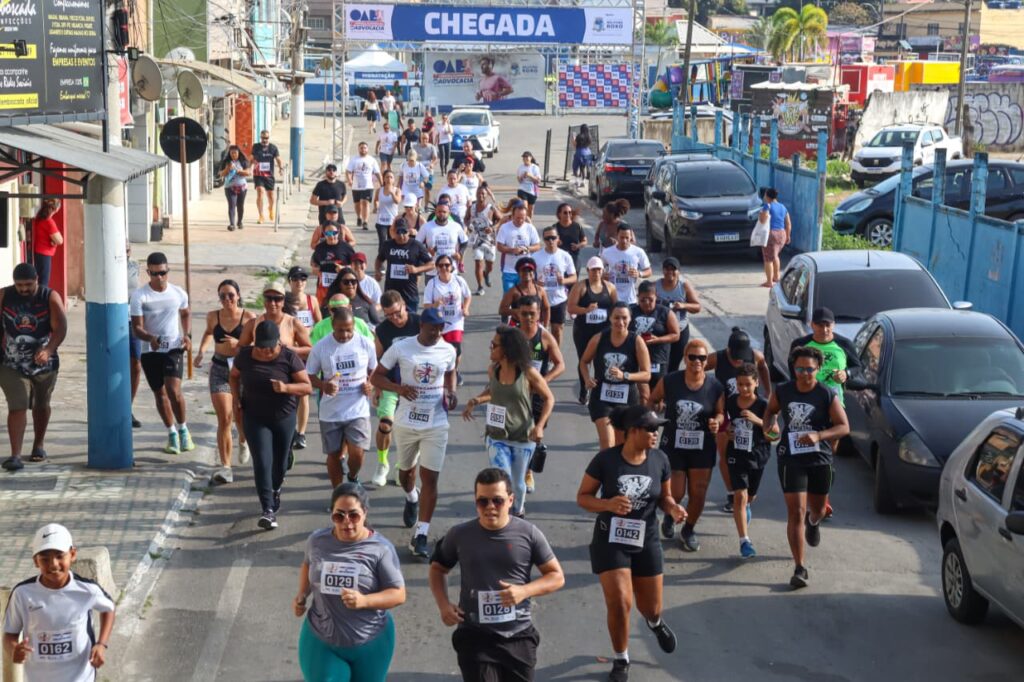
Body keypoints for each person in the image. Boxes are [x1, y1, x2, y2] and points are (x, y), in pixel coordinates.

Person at [576, 406, 684, 682]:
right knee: (621, 602)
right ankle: (621, 658)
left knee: (652, 607)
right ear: (633, 431)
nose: (655, 434)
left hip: (646, 538)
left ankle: (655, 623)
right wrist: (607, 503)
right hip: (610, 540)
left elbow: (665, 497)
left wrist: (672, 509)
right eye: (650, 428)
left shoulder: (660, 459)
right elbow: (583, 497)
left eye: (657, 429)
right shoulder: (606, 460)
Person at [429, 468, 564, 681]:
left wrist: (524, 591)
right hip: (475, 634)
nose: (490, 507)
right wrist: (444, 605)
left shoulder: (528, 533)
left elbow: (556, 576)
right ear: (475, 502)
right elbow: (438, 568)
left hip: (518, 634)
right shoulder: (459, 535)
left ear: (511, 500)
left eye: (497, 501)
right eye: (483, 501)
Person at [369, 308, 457, 559]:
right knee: (406, 474)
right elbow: (376, 377)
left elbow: (450, 372)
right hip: (407, 421)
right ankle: (411, 497)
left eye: (441, 328)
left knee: (430, 478)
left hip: (436, 423)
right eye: (433, 328)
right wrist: (398, 389)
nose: (438, 333)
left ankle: (421, 534)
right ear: (422, 327)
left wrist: (450, 393)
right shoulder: (401, 348)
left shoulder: (448, 350)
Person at [295, 483, 405, 682]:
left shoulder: (381, 549)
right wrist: (302, 595)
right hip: (322, 640)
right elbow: (307, 564)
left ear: (365, 513)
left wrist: (364, 601)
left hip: (370, 642)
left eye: (353, 515)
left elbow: (398, 594)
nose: (347, 523)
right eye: (339, 516)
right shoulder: (317, 541)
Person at [762, 346, 850, 589]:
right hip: (791, 457)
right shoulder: (783, 391)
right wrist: (770, 429)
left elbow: (844, 427)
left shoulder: (826, 394)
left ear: (818, 369)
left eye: (809, 369)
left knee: (817, 509)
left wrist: (819, 436)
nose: (803, 374)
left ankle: (815, 522)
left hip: (819, 458)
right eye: (799, 369)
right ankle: (800, 567)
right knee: (796, 511)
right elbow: (770, 412)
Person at [2, 523, 115, 681]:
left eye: (59, 556)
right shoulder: (22, 593)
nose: (53, 564)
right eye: (45, 559)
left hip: (81, 677)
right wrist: (14, 650)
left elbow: (108, 609)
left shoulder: (87, 590)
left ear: (72, 554)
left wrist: (101, 644)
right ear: (36, 561)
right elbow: (10, 635)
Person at [230, 320, 312, 530]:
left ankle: (276, 488)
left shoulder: (289, 357)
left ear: (278, 343)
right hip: (255, 418)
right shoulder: (245, 356)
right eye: (260, 347)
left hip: (283, 418)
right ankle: (267, 510)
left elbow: (306, 387)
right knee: (262, 463)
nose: (265, 351)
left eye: (269, 347)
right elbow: (234, 376)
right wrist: (235, 397)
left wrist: (285, 388)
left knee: (280, 464)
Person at [463, 327, 553, 516]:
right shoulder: (493, 370)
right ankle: (504, 517)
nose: (490, 348)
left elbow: (549, 398)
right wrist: (475, 400)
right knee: (503, 478)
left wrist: (539, 426)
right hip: (496, 436)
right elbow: (493, 391)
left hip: (522, 437)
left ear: (507, 349)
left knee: (518, 484)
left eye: (494, 345)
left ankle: (518, 513)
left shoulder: (528, 372)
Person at [649, 338, 724, 552]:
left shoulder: (714, 386)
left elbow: (720, 413)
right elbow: (652, 400)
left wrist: (716, 422)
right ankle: (671, 516)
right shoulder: (671, 381)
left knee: (699, 492)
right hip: (674, 444)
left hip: (702, 446)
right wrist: (655, 415)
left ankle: (689, 529)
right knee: (677, 492)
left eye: (702, 358)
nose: (697, 362)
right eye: (693, 357)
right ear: (685, 359)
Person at [789, 306, 862, 520]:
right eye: (819, 325)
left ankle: (823, 498)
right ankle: (806, 496)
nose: (824, 329)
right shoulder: (800, 345)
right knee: (805, 452)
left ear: (834, 325)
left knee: (827, 455)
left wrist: (845, 374)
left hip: (834, 405)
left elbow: (858, 366)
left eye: (828, 325)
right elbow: (791, 371)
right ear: (812, 325)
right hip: (806, 406)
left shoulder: (844, 344)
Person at [0, 263, 67, 471]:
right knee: (17, 405)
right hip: (11, 363)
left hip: (43, 364)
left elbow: (61, 328)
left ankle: (38, 445)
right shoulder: (4, 296)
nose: (24, 289)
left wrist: (48, 350)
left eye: (28, 284)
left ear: (37, 279)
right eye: (19, 285)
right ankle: (15, 455)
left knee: (41, 405)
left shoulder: (49, 297)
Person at [129, 252, 193, 455]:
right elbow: (136, 328)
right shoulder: (140, 296)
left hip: (173, 347)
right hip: (150, 350)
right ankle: (172, 433)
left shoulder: (178, 293)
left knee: (173, 390)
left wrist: (187, 335)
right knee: (159, 392)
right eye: (155, 274)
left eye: (163, 273)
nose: (159, 277)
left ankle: (183, 429)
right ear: (148, 272)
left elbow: (185, 313)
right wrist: (150, 339)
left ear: (168, 271)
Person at [193, 279, 256, 484]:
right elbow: (209, 333)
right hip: (220, 368)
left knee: (241, 413)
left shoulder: (248, 317)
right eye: (222, 296)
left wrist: (239, 343)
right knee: (225, 417)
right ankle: (226, 466)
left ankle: (244, 439)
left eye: (231, 295)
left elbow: (256, 343)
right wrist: (201, 352)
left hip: (241, 369)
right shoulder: (213, 316)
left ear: (238, 296)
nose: (227, 299)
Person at [307, 308, 377, 487]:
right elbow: (309, 375)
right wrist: (323, 385)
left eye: (349, 329)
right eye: (340, 330)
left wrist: (370, 384)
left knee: (357, 451)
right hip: (331, 411)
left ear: (354, 326)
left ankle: (353, 477)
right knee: (334, 455)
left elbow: (374, 370)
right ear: (332, 326)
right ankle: (338, 492)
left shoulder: (365, 343)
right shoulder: (321, 346)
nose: (345, 334)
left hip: (358, 409)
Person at [706, 327, 772, 513]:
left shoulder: (755, 356)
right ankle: (732, 493)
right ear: (728, 350)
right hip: (725, 412)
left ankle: (746, 491)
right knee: (725, 453)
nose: (738, 360)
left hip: (749, 412)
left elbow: (763, 367)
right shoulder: (717, 358)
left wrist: (768, 391)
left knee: (749, 452)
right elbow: (696, 371)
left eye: (741, 357)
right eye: (734, 357)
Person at [581, 303, 650, 450]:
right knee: (607, 445)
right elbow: (584, 361)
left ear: (630, 319)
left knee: (622, 447)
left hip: (626, 400)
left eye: (624, 318)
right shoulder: (599, 338)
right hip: (601, 398)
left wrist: (624, 375)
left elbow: (646, 374)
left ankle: (615, 473)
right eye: (616, 318)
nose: (620, 322)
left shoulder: (637, 341)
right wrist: (587, 378)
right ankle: (604, 472)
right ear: (610, 318)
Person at [514, 295, 564, 495]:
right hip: (515, 394)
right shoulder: (513, 336)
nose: (528, 318)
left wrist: (544, 381)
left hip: (537, 395)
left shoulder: (544, 336)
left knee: (533, 435)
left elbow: (560, 365)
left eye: (532, 314)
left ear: (538, 314)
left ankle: (527, 472)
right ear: (518, 313)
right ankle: (516, 472)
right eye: (524, 313)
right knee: (515, 435)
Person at [370, 291, 421, 487]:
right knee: (385, 423)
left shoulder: (419, 323)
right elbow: (377, 359)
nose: (395, 319)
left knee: (413, 429)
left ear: (404, 305)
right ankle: (382, 463)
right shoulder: (383, 330)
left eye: (397, 313)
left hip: (417, 386)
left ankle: (403, 464)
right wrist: (377, 388)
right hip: (391, 384)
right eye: (389, 315)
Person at [724, 363, 771, 558]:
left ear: (756, 383)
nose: (743, 389)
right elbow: (725, 423)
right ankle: (745, 541)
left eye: (747, 385)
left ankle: (746, 507)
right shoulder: (730, 401)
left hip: (757, 455)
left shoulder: (763, 405)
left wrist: (758, 420)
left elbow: (775, 434)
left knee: (749, 497)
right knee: (740, 496)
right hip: (735, 454)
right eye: (740, 384)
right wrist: (727, 431)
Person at [567, 257, 618, 405]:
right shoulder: (580, 287)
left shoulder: (610, 287)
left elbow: (617, 307)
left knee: (601, 360)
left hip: (603, 330)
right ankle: (584, 388)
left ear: (602, 271)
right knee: (584, 360)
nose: (596, 272)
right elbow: (570, 308)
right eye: (593, 269)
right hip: (583, 330)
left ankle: (598, 389)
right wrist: (585, 309)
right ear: (588, 271)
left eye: (599, 269)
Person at [423, 254, 472, 385]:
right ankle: (442, 371)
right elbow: (426, 305)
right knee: (439, 347)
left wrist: (465, 308)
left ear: (452, 267)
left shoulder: (459, 280)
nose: (444, 268)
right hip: (439, 322)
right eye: (441, 265)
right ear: (437, 268)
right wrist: (435, 305)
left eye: (447, 265)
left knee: (455, 347)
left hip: (456, 320)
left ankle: (454, 371)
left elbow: (468, 295)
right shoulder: (432, 284)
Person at [629, 281, 679, 397]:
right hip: (636, 358)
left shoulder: (665, 312)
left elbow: (676, 335)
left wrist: (658, 339)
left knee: (657, 394)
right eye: (643, 300)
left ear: (656, 297)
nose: (647, 303)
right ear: (638, 298)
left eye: (650, 299)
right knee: (641, 394)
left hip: (658, 359)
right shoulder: (631, 311)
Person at [375, 220, 434, 312]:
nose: (401, 236)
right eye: (398, 232)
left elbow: (431, 264)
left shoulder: (416, 245)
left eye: (404, 232)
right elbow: (379, 259)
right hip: (391, 291)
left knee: (410, 321)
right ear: (394, 232)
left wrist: (416, 269)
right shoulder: (388, 245)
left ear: (409, 232)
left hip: (409, 292)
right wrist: (377, 271)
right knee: (392, 319)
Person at [654, 257, 701, 372]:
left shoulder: (684, 286)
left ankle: (671, 386)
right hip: (662, 331)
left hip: (680, 330)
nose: (670, 272)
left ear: (678, 271)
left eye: (673, 269)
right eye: (667, 269)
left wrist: (683, 306)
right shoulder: (655, 286)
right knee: (660, 363)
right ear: (663, 270)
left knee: (674, 363)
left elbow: (697, 307)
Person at [532, 226, 577, 346]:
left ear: (558, 239)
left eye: (553, 237)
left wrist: (564, 281)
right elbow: (529, 278)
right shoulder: (535, 257)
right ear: (543, 240)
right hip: (541, 299)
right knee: (540, 330)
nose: (550, 241)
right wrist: (536, 283)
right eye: (547, 238)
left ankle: (555, 358)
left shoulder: (565, 256)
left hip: (559, 299)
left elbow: (574, 277)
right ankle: (541, 356)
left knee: (557, 329)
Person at [495, 201, 541, 292]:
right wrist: (512, 250)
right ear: (512, 215)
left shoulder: (530, 228)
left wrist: (528, 249)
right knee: (508, 298)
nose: (520, 220)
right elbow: (499, 247)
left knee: (524, 299)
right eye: (518, 218)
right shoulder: (505, 228)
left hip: (526, 270)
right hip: (509, 270)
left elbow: (537, 246)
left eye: (523, 218)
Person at [601, 224, 651, 306]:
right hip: (612, 298)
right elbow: (597, 269)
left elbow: (649, 271)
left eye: (627, 238)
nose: (624, 241)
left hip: (631, 299)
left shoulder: (638, 252)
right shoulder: (607, 252)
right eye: (622, 237)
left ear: (631, 237)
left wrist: (639, 273)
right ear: (617, 236)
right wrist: (603, 276)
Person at [311, 223, 356, 305]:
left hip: (342, 285)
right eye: (328, 233)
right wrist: (316, 270)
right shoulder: (319, 248)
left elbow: (355, 266)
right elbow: (314, 264)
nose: (331, 236)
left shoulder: (346, 247)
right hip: (324, 287)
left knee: (342, 308)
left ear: (338, 232)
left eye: (334, 233)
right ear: (324, 234)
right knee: (323, 309)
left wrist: (344, 268)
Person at [498, 258, 550, 329]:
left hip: (535, 326)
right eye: (524, 270)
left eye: (530, 270)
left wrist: (546, 326)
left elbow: (546, 308)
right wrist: (516, 311)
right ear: (518, 273)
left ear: (534, 272)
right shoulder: (513, 291)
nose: (527, 273)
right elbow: (502, 310)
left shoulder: (540, 290)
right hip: (517, 326)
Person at [419, 200, 469, 272]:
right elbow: (417, 244)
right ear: (435, 213)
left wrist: (460, 253)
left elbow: (465, 241)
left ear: (449, 213)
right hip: (432, 270)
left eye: (444, 212)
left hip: (451, 268)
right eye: (439, 211)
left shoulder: (456, 226)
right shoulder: (426, 226)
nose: (441, 214)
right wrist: (426, 251)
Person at [469, 184, 500, 295]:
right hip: (477, 239)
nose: (481, 195)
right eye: (479, 193)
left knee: (490, 265)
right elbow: (466, 219)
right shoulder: (472, 207)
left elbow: (500, 220)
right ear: (476, 194)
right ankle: (480, 286)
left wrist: (492, 228)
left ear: (487, 196)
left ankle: (486, 274)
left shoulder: (491, 208)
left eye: (483, 194)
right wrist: (468, 226)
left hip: (489, 240)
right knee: (478, 262)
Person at [345, 143, 382, 231]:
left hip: (368, 186)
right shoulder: (354, 159)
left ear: (367, 149)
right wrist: (350, 180)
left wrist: (382, 183)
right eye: (361, 148)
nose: (363, 149)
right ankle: (359, 217)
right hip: (356, 186)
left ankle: (365, 222)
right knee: (357, 204)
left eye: (365, 148)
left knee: (365, 203)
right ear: (358, 149)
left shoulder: (372, 160)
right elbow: (348, 171)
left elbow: (377, 172)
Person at [759, 187, 791, 288]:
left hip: (771, 234)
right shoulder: (782, 207)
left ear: (767, 196)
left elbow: (763, 220)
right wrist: (788, 235)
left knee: (768, 258)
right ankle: (776, 277)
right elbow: (788, 224)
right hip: (782, 234)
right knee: (775, 255)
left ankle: (769, 282)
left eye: (764, 195)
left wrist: (761, 213)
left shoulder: (767, 206)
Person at [251, 130, 284, 224]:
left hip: (269, 175)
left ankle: (270, 208)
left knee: (271, 196)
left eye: (266, 138)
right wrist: (251, 165)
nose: (264, 140)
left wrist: (280, 168)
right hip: (258, 175)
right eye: (263, 138)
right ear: (260, 137)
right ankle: (261, 215)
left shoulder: (273, 148)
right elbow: (251, 157)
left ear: (268, 138)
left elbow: (278, 159)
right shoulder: (256, 147)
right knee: (260, 193)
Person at [127, 244, 142, 428]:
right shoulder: (105, 264)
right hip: (111, 317)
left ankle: (127, 408)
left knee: (136, 364)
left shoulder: (134, 266)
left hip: (132, 318)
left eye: (127, 249)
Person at [31, 199, 63, 286]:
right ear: (55, 209)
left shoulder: (39, 218)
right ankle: (42, 299)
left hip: (38, 251)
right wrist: (54, 241)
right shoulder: (49, 222)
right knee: (44, 280)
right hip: (45, 253)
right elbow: (60, 240)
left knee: (38, 279)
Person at [218, 145, 250, 231]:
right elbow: (221, 174)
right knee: (231, 205)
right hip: (230, 187)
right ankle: (232, 224)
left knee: (240, 205)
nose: (233, 154)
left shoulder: (243, 161)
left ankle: (239, 222)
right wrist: (227, 169)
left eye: (235, 153)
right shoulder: (226, 162)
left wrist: (240, 171)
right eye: (231, 153)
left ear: (239, 153)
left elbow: (248, 173)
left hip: (242, 187)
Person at [311, 163, 349, 228]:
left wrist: (342, 203)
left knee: (342, 231)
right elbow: (312, 201)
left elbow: (345, 196)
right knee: (325, 235)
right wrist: (327, 202)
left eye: (334, 170)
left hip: (338, 214)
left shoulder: (341, 184)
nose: (331, 172)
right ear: (326, 172)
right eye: (329, 170)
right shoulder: (320, 185)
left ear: (336, 173)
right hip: (324, 215)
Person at [552, 203, 587, 270]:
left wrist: (578, 245)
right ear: (559, 214)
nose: (568, 215)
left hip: (574, 258)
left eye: (569, 212)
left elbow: (584, 241)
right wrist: (556, 242)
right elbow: (549, 241)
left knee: (573, 279)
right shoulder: (554, 227)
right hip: (559, 258)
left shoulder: (577, 226)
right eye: (565, 213)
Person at [287, 266, 322, 331]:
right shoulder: (284, 301)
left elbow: (319, 325)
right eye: (295, 279)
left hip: (308, 340)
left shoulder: (312, 300)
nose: (299, 282)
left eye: (303, 278)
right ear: (289, 281)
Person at [373, 169, 402, 246]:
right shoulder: (379, 190)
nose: (389, 179)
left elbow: (398, 201)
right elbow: (376, 200)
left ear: (393, 179)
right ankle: (381, 257)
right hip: (381, 220)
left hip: (392, 221)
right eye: (387, 177)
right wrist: (375, 207)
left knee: (392, 242)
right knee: (382, 242)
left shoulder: (397, 190)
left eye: (391, 177)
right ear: (384, 179)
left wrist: (392, 193)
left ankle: (390, 257)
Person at [412, 131, 439, 204]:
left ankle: (426, 205)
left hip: (428, 171)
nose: (425, 140)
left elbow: (435, 159)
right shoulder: (415, 147)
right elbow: (412, 158)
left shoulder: (431, 147)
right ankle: (418, 205)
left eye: (426, 139)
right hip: (418, 171)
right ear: (420, 139)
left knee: (427, 189)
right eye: (423, 138)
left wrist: (432, 164)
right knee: (418, 188)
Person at [516, 152, 542, 221]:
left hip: (532, 191)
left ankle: (529, 224)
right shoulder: (520, 167)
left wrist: (529, 175)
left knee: (530, 210)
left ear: (531, 158)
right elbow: (519, 181)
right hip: (522, 190)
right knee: (525, 207)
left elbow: (538, 181)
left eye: (527, 157)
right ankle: (523, 222)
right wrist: (522, 176)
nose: (525, 159)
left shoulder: (535, 167)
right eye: (524, 157)